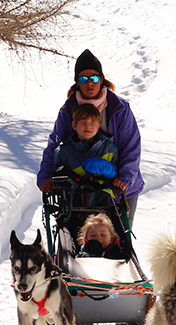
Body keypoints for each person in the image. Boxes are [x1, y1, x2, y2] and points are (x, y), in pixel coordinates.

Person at [38, 49, 144, 226]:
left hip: (118, 186)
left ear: (102, 79)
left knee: (117, 242)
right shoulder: (68, 110)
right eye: (83, 79)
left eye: (94, 78)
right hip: (78, 190)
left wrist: (124, 178)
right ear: (77, 83)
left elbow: (131, 148)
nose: (89, 83)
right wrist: (45, 175)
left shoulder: (119, 109)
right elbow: (54, 145)